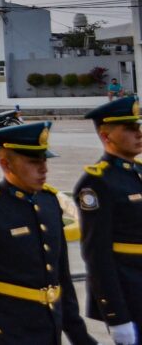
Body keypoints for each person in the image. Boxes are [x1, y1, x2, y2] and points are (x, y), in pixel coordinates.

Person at [0, 121, 96, 344]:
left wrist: (81, 337)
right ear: (5, 163)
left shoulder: (49, 203)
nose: (44, 169)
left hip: (49, 331)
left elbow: (62, 279)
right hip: (9, 333)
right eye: (33, 162)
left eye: (44, 160)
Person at [74, 95, 142, 345]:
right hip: (133, 296)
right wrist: (117, 317)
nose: (139, 133)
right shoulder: (97, 183)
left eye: (138, 127)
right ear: (106, 136)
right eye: (129, 129)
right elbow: (97, 255)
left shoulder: (137, 173)